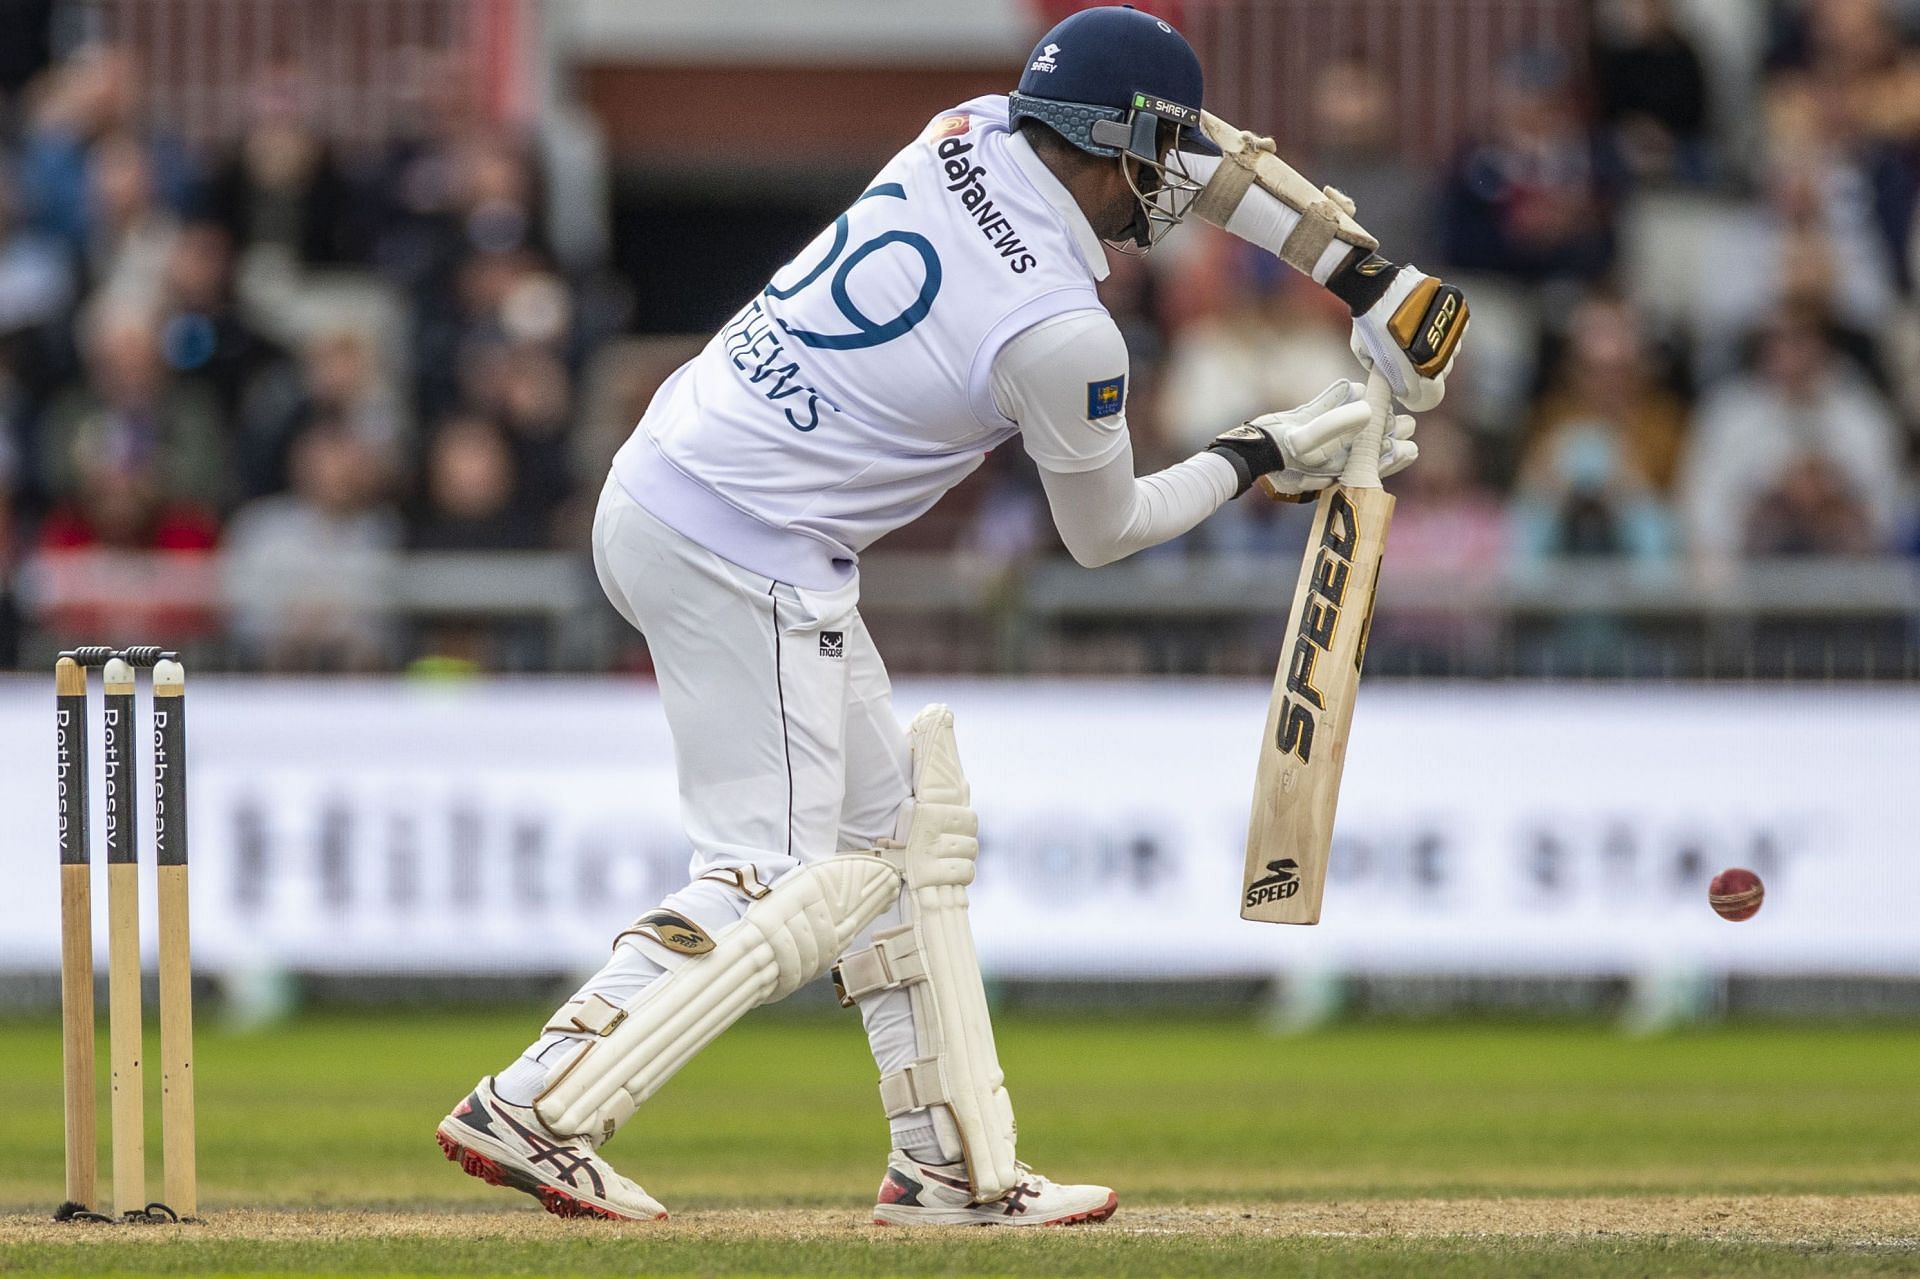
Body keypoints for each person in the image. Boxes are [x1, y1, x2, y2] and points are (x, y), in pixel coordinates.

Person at [436, 6, 1466, 1227]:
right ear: (1114, 146)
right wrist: (1267, 449)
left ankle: (949, 1163)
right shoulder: (1064, 335)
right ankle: (541, 1098)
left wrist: (1376, 282)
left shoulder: (969, 128)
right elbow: (1106, 533)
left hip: (680, 482)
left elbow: (1209, 157)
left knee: (899, 841)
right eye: (1160, 161)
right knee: (772, 880)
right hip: (743, 547)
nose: (1179, 192)